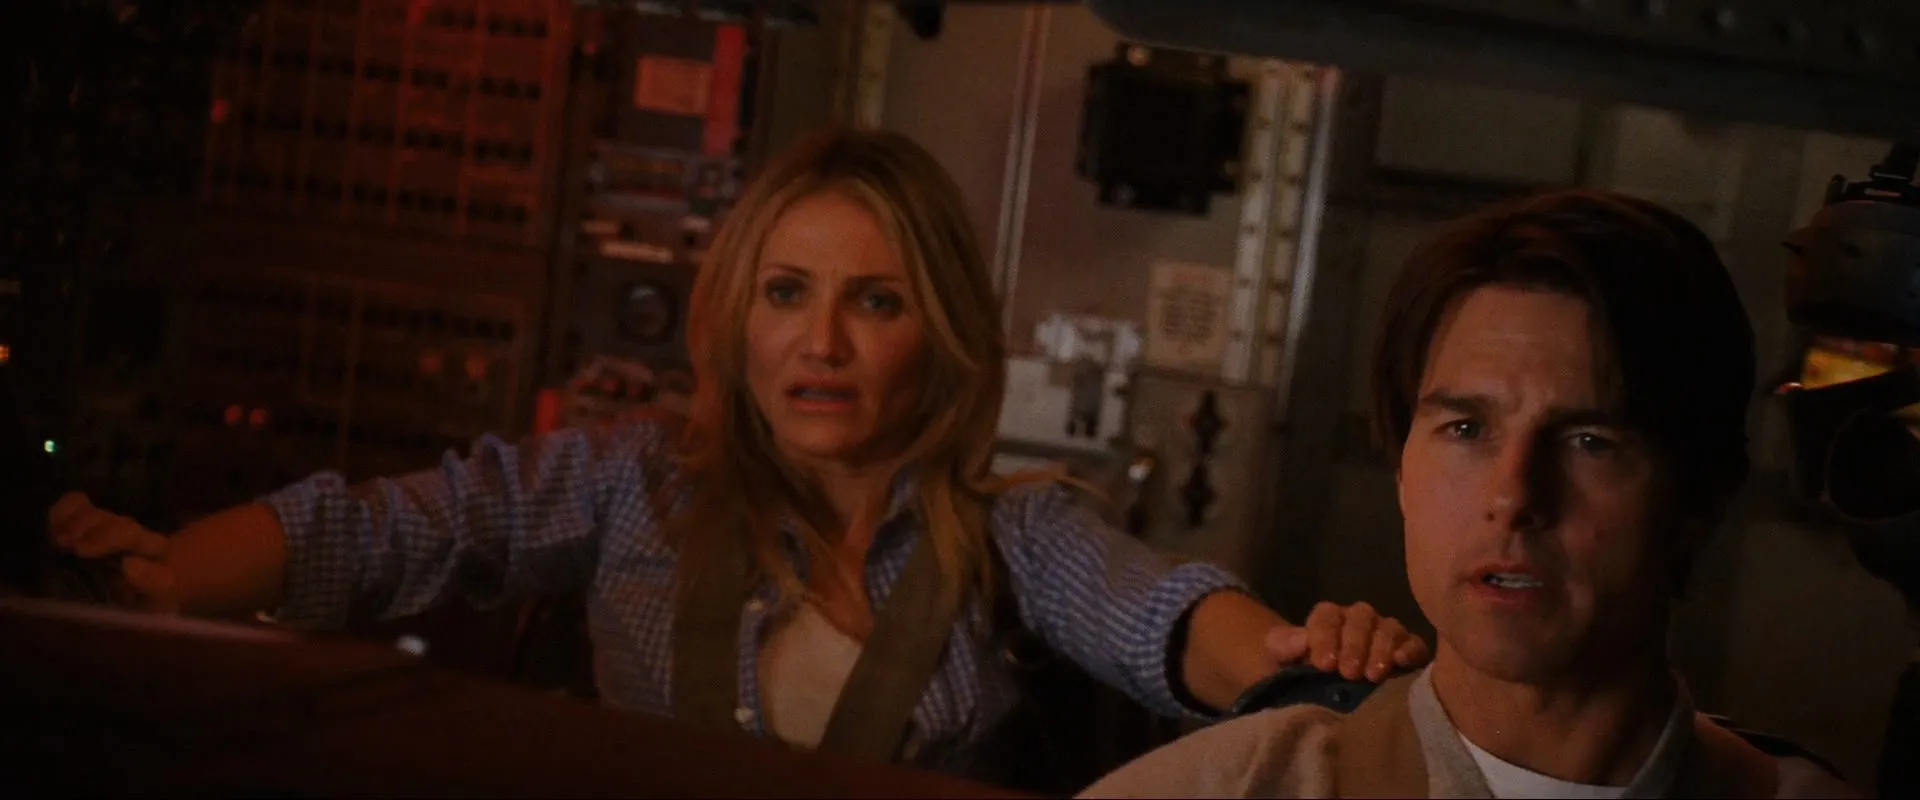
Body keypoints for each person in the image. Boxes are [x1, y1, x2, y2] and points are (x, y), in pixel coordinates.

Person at [47, 128, 1429, 784]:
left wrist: (1308, 663)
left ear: (938, 333)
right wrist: (169, 579)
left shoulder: (1013, 536)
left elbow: (1164, 619)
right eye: (785, 292)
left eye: (874, 300)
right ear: (736, 314)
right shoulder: (634, 482)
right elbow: (401, 528)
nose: (819, 342)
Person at [1079, 189, 1867, 798]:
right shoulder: (1235, 786)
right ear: (1401, 470)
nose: (1513, 496)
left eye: (1589, 441)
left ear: (1699, 498)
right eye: (1465, 430)